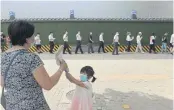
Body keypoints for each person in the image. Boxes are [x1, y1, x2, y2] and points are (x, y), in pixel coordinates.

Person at [0, 20, 68, 110]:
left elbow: (2, 83)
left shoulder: (2, 57)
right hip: (34, 106)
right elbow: (48, 85)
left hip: (12, 106)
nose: (34, 37)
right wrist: (61, 69)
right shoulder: (31, 58)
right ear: (27, 39)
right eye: (32, 35)